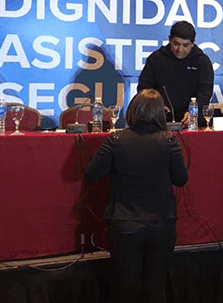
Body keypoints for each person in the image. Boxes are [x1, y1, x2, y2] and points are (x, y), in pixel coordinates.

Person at [85, 89, 189, 303]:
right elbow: (181, 179)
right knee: (156, 288)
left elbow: (91, 175)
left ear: (132, 111)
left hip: (124, 223)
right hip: (162, 223)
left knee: (126, 289)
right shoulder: (169, 141)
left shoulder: (116, 140)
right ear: (161, 113)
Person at [138, 21, 213, 125]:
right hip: (159, 120)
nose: (180, 49)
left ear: (192, 44)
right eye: (176, 44)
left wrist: (194, 112)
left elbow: (205, 93)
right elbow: (144, 89)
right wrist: (156, 106)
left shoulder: (202, 61)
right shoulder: (156, 59)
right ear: (169, 40)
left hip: (192, 121)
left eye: (185, 45)